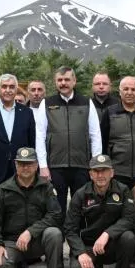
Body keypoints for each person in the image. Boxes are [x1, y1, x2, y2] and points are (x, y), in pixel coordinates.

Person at [0, 147, 64, 268]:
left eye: (29, 164)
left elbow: (55, 214)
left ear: (36, 166)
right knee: (0, 266)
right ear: (15, 165)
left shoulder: (46, 187)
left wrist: (31, 232)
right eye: (22, 164)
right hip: (12, 242)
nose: (25, 168)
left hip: (38, 240)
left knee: (54, 234)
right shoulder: (3, 189)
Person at [64, 154, 135, 268]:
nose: (100, 175)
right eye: (96, 171)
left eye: (104, 170)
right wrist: (81, 253)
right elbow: (69, 228)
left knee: (129, 237)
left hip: (112, 244)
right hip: (89, 246)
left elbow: (129, 218)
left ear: (112, 173)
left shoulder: (123, 190)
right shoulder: (81, 194)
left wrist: (107, 234)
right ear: (90, 174)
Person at [35, 66, 103, 216]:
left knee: (83, 207)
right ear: (55, 82)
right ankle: (58, 231)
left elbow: (95, 134)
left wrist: (95, 163)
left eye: (67, 79)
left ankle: (80, 230)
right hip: (55, 165)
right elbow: (40, 136)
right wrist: (43, 166)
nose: (63, 83)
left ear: (74, 81)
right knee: (57, 208)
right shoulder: (46, 103)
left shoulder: (86, 102)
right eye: (60, 80)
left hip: (82, 165)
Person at [0, 74, 36, 200]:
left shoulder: (27, 113)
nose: (8, 90)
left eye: (11, 87)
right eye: (4, 86)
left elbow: (32, 143)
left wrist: (33, 170)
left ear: (16, 89)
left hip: (21, 171)